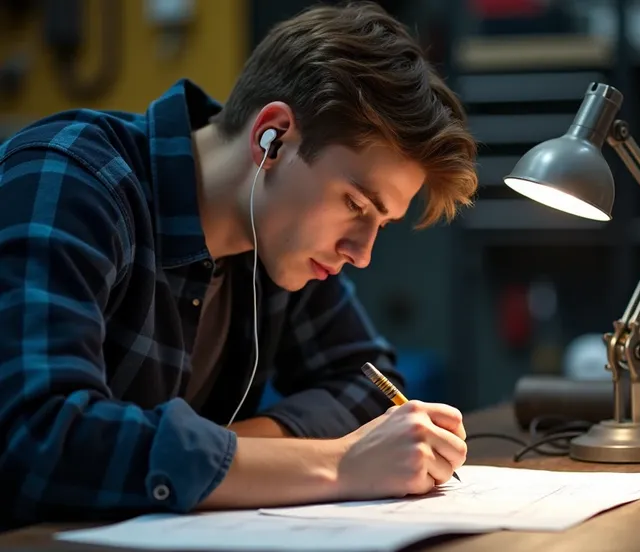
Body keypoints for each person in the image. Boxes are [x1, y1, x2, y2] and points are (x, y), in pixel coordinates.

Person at [0, 1, 477, 528]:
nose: (360, 254)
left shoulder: (277, 238)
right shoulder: (73, 182)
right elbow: (39, 439)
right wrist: (337, 465)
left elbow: (369, 386)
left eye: (380, 224)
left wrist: (230, 454)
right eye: (355, 205)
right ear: (271, 138)